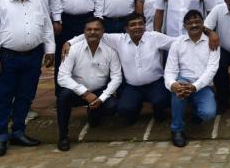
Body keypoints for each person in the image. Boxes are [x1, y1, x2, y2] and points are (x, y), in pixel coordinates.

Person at [63, 13, 214, 124]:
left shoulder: (154, 37)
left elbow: (179, 42)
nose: (137, 27)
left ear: (144, 25)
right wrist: (69, 42)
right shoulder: (118, 40)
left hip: (155, 83)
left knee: (163, 100)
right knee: (124, 110)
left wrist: (209, 33)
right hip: (132, 86)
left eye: (140, 24)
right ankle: (134, 111)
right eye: (133, 25)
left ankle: (159, 112)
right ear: (126, 28)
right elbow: (93, 33)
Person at [0, 0, 55, 157]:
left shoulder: (37, 1)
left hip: (33, 57)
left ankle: (18, 131)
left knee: (26, 96)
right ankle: (0, 136)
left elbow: (46, 26)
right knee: (4, 97)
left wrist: (50, 50)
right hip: (8, 58)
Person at [56, 17, 121, 152]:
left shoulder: (111, 51)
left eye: (96, 29)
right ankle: (63, 136)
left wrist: (101, 98)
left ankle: (93, 113)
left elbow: (117, 78)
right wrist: (85, 93)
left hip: (98, 91)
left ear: (103, 32)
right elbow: (62, 77)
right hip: (77, 92)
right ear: (84, 32)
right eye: (89, 29)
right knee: (63, 98)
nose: (92, 32)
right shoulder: (73, 49)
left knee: (113, 105)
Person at [165, 9, 220, 147]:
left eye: (197, 22)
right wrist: (173, 85)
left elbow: (211, 70)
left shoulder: (212, 42)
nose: (194, 25)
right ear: (184, 26)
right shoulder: (177, 43)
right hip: (183, 81)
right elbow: (170, 71)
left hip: (203, 85)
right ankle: (177, 129)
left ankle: (196, 111)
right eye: (190, 23)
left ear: (203, 23)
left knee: (208, 113)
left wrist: (195, 86)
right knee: (178, 92)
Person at [55, 0, 103, 95]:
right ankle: (62, 94)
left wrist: (98, 20)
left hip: (88, 21)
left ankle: (90, 91)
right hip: (65, 22)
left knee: (87, 56)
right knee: (63, 57)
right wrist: (57, 20)